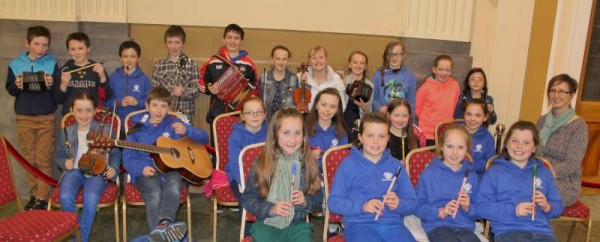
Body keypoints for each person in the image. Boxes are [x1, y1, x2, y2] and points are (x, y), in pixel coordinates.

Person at [123, 86, 209, 241]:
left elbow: (204, 138)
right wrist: (142, 169)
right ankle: (165, 235)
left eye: (163, 106)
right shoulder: (136, 129)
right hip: (146, 173)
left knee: (174, 186)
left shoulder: (174, 123)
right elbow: (128, 158)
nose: (158, 110)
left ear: (169, 108)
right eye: (155, 105)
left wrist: (187, 131)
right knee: (154, 194)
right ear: (147, 106)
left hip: (171, 170)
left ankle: (164, 224)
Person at [328, 112, 417, 242]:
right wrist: (362, 206)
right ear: (360, 137)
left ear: (388, 138)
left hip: (393, 226)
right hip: (358, 225)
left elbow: (413, 203)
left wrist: (399, 204)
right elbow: (334, 203)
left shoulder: (396, 166)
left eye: (381, 136)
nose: (376, 141)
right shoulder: (348, 165)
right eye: (370, 136)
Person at [240, 108, 323, 242]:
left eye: (297, 133)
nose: (292, 139)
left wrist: (305, 200)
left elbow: (318, 197)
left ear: (303, 136)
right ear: (275, 134)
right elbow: (248, 199)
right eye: (286, 133)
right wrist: (272, 209)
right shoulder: (262, 164)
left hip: (297, 224)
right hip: (267, 223)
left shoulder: (308, 162)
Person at [477, 121, 563, 242]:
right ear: (507, 143)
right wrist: (514, 210)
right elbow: (482, 207)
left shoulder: (543, 172)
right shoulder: (494, 172)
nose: (519, 146)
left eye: (526, 142)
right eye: (515, 140)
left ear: (534, 148)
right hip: (509, 231)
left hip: (542, 232)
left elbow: (558, 208)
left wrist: (547, 206)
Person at [5, 26, 60, 210]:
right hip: (24, 117)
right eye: (37, 43)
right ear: (27, 43)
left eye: (45, 45)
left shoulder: (52, 64)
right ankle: (34, 194)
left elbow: (58, 95)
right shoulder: (15, 64)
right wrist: (17, 84)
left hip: (46, 117)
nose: (41, 48)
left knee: (44, 158)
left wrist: (52, 84)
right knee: (30, 159)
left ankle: (43, 198)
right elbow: (10, 90)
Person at [54, 92, 120, 242]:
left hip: (97, 172)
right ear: (72, 110)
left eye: (88, 110)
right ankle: (74, 232)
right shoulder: (65, 131)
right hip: (75, 171)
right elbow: (58, 156)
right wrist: (64, 163)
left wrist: (114, 168)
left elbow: (116, 153)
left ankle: (80, 238)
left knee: (90, 197)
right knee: (64, 196)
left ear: (96, 111)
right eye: (79, 110)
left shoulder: (106, 129)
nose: (84, 115)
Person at [416, 125, 481, 241]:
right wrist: (440, 212)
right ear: (441, 147)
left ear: (467, 149)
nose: (455, 153)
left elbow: (479, 210)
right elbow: (417, 206)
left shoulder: (471, 175)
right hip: (438, 225)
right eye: (450, 146)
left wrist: (468, 207)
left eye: (460, 147)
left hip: (465, 227)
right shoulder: (429, 173)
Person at [199, 23, 258, 147]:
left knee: (238, 146)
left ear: (241, 41)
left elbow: (255, 88)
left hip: (240, 114)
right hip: (217, 112)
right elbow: (201, 84)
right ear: (224, 39)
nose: (232, 41)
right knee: (218, 147)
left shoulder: (249, 64)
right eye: (229, 37)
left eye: (236, 38)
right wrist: (210, 89)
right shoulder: (213, 61)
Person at [536, 74, 588, 207]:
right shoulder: (542, 121)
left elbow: (572, 164)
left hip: (564, 182)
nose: (556, 95)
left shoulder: (578, 126)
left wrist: (545, 173)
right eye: (553, 90)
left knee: (529, 191)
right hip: (537, 173)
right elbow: (533, 150)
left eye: (562, 91)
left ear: (571, 96)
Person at [151, 25, 200, 122]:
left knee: (183, 137)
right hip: (163, 114)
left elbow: (197, 90)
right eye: (170, 42)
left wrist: (183, 92)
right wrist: (169, 91)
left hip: (185, 114)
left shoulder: (191, 64)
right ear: (165, 44)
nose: (173, 46)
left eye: (177, 42)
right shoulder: (159, 65)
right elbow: (155, 90)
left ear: (183, 43)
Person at [57, 32, 111, 114]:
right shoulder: (64, 70)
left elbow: (106, 97)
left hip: (93, 117)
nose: (77, 52)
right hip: (70, 116)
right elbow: (59, 100)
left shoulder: (97, 69)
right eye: (72, 49)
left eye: (80, 48)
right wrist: (63, 85)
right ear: (68, 51)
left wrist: (102, 77)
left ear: (88, 48)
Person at [105, 40, 152, 133]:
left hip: (138, 125)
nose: (129, 60)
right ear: (120, 58)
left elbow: (151, 103)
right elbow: (106, 102)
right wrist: (119, 103)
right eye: (125, 56)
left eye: (133, 56)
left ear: (138, 59)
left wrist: (137, 102)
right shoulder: (113, 78)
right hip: (116, 125)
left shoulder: (145, 80)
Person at [226, 96, 268, 200]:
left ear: (265, 115)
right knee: (248, 200)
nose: (255, 116)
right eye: (249, 112)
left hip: (264, 175)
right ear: (242, 116)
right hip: (239, 176)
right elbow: (234, 165)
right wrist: (245, 184)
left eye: (259, 112)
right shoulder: (236, 135)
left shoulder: (270, 133)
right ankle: (244, 216)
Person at [415, 55, 461, 146]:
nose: (444, 73)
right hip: (427, 134)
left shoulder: (455, 86)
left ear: (451, 71)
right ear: (434, 69)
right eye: (440, 69)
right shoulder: (425, 88)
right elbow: (417, 111)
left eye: (447, 70)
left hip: (446, 133)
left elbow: (453, 106)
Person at [306, 88, 349, 171]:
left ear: (337, 110)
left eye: (333, 106)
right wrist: (308, 156)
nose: (327, 110)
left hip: (332, 178)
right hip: (309, 178)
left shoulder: (342, 134)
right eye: (324, 105)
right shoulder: (304, 130)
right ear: (316, 105)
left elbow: (342, 164)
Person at [372, 41, 418, 115]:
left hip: (401, 118)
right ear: (386, 56)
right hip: (383, 117)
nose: (394, 57)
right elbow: (374, 98)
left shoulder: (410, 77)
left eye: (398, 54)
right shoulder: (378, 75)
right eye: (391, 54)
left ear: (403, 56)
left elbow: (411, 102)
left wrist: (409, 119)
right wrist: (379, 108)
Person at [259, 45, 299, 121]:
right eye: (278, 59)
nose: (281, 62)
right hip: (267, 121)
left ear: (288, 61)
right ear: (272, 60)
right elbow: (260, 100)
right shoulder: (264, 77)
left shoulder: (294, 79)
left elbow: (296, 103)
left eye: (284, 59)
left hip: (287, 121)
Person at [301, 46, 347, 111]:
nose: (318, 60)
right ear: (309, 61)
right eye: (314, 58)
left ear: (326, 60)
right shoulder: (301, 77)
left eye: (321, 57)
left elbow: (342, 106)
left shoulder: (336, 79)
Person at [343, 51, 374, 142]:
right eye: (355, 62)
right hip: (342, 119)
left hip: (359, 120)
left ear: (365, 66)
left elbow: (370, 112)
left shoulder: (369, 86)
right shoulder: (342, 81)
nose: (358, 65)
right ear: (349, 64)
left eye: (362, 63)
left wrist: (364, 108)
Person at [463, 99, 495, 181]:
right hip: (455, 172)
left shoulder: (488, 138)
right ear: (464, 115)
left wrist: (471, 166)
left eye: (477, 115)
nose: (472, 119)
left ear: (485, 117)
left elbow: (488, 162)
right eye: (469, 114)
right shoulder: (456, 132)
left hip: (477, 177)